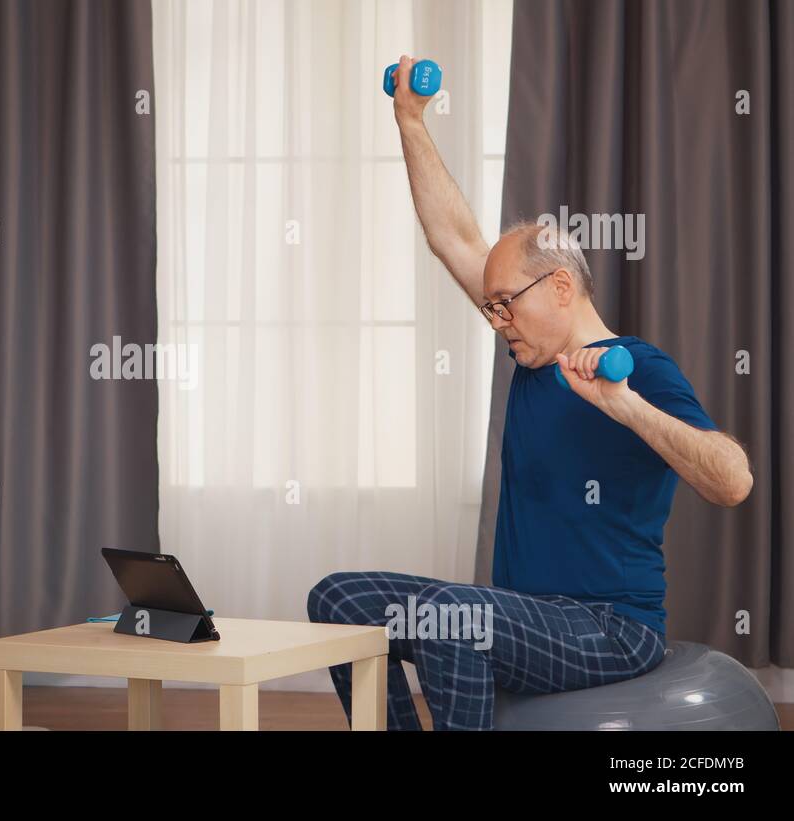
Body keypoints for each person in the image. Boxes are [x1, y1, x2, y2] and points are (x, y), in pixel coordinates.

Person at [307, 56, 753, 730]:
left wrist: (626, 406)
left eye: (504, 304)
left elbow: (733, 480)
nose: (495, 320)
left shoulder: (640, 369)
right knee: (338, 598)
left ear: (562, 288)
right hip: (521, 619)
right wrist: (409, 120)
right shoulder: (533, 359)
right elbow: (453, 236)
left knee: (457, 621)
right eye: (490, 308)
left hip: (609, 628)